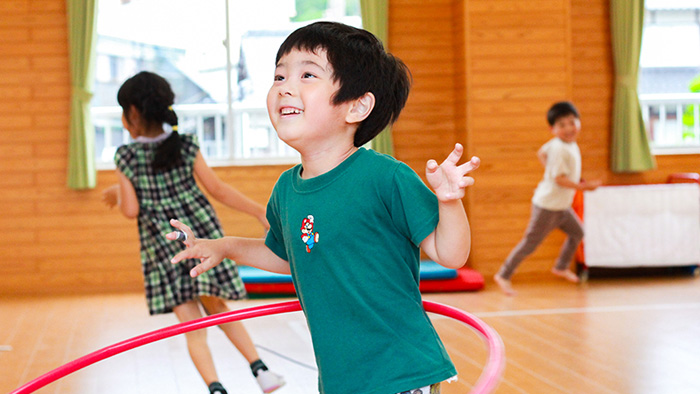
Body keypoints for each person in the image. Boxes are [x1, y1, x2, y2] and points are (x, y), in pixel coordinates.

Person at [168, 22, 480, 394]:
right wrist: (224, 246)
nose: (285, 85)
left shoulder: (385, 177)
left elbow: (452, 254)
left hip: (400, 370)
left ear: (356, 106)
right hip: (340, 378)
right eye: (279, 74)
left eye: (307, 74)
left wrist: (449, 202)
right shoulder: (287, 189)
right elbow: (289, 257)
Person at [102, 71, 285, 394]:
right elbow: (217, 189)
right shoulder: (185, 144)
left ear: (131, 113)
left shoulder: (126, 156)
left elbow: (131, 209)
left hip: (165, 249)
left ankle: (216, 389)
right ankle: (261, 371)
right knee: (218, 308)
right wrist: (258, 210)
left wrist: (118, 193)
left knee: (192, 327)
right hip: (202, 239)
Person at [493, 101, 601, 296]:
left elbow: (541, 153)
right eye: (562, 125)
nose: (569, 128)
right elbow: (559, 179)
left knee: (578, 232)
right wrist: (583, 187)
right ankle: (504, 274)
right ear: (553, 129)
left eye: (572, 122)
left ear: (579, 122)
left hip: (561, 206)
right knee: (530, 243)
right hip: (548, 206)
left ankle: (560, 266)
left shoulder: (563, 144)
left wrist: (549, 170)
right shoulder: (560, 148)